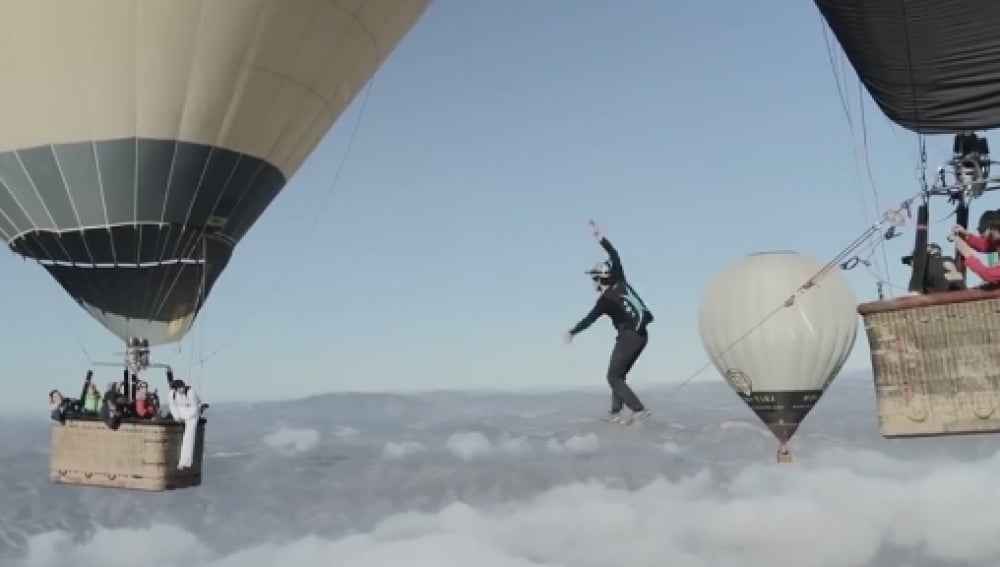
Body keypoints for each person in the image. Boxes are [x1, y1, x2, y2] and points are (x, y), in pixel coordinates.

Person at [564, 220, 653, 425]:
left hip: (629, 336)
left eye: (594, 278)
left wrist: (572, 332)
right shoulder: (620, 281)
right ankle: (615, 411)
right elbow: (615, 256)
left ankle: (638, 409)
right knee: (618, 375)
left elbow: (589, 319)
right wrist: (601, 239)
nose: (593, 282)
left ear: (600, 279)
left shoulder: (605, 300)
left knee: (613, 376)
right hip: (641, 336)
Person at [953, 210, 1000, 284]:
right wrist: (967, 236)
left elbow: (988, 275)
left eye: (991, 235)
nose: (988, 239)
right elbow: (985, 245)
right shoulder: (997, 240)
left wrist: (968, 255)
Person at [168, 379, 202, 470]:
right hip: (180, 411)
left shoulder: (191, 392)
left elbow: (195, 408)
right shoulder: (172, 394)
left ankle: (185, 461)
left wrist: (187, 417)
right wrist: (176, 417)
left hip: (191, 413)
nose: (181, 390)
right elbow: (172, 406)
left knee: (189, 435)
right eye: (179, 388)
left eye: (182, 388)